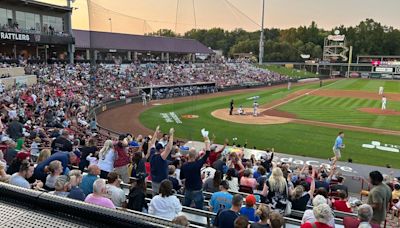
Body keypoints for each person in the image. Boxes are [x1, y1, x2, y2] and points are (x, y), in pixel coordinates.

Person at [180, 135, 211, 209]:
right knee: (199, 207)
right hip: (197, 189)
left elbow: (182, 178)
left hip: (188, 188)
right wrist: (206, 140)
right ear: (195, 155)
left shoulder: (184, 165)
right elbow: (207, 153)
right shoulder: (197, 164)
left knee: (186, 206)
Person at [150, 126, 174, 195]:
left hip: (154, 182)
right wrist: (171, 135)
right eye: (163, 148)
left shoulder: (152, 154)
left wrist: (156, 132)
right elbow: (169, 148)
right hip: (161, 183)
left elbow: (152, 143)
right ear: (160, 150)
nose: (164, 149)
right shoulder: (161, 157)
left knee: (155, 197)